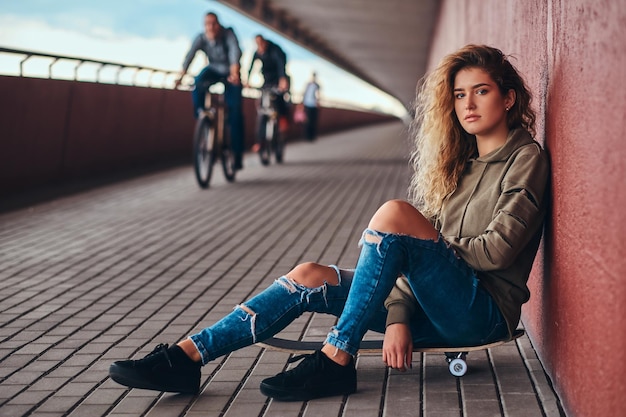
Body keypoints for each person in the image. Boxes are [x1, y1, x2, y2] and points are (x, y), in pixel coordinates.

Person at [109, 44, 550, 401]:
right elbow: (411, 258)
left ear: (508, 98)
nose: (467, 104)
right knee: (308, 275)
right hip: (436, 305)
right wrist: (398, 314)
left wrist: (431, 244)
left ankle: (337, 357)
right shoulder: (462, 165)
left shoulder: (525, 159)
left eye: (481, 91)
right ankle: (186, 359)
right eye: (459, 94)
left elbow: (498, 250)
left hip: (480, 313)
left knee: (396, 215)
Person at [174, 12, 245, 170]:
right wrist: (181, 75)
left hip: (230, 72)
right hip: (213, 70)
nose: (210, 27)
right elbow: (190, 56)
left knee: (235, 115)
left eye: (213, 23)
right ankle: (202, 117)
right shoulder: (201, 38)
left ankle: (237, 155)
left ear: (218, 24)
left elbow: (235, 52)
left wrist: (235, 72)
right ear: (204, 26)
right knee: (198, 82)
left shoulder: (228, 34)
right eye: (207, 24)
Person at [245, 35, 290, 151]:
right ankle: (260, 142)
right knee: (261, 111)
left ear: (265, 42)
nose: (260, 46)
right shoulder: (258, 52)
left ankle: (283, 120)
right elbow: (251, 66)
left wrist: (283, 79)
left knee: (279, 99)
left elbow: (281, 64)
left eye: (261, 43)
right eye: (257, 44)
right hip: (267, 80)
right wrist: (248, 80)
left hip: (278, 78)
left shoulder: (274, 50)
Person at [302, 72, 320, 141]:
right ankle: (307, 136)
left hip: (314, 105)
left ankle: (312, 136)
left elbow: (318, 94)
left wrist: (317, 102)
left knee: (313, 121)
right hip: (307, 104)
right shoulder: (308, 84)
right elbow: (304, 93)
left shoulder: (317, 85)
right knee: (307, 121)